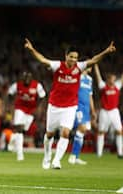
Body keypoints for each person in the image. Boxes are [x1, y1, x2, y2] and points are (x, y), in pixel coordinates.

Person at [24, 38, 116, 169]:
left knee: (66, 133)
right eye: (71, 57)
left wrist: (106, 51)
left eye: (76, 57)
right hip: (54, 106)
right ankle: (47, 156)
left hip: (70, 106)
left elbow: (94, 60)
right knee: (49, 134)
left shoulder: (79, 67)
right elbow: (43, 60)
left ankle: (57, 160)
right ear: (66, 56)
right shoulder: (57, 66)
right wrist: (32, 50)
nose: (74, 60)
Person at [8, 71, 46, 161]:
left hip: (31, 110)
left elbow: (43, 96)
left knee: (23, 129)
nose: (26, 80)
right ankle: (20, 154)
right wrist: (11, 105)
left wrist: (38, 108)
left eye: (28, 78)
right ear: (22, 78)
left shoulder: (37, 85)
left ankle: (12, 139)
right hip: (19, 108)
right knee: (20, 129)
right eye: (25, 78)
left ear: (31, 78)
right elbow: (10, 93)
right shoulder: (16, 85)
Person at [68, 67, 96, 165]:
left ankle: (76, 156)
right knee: (81, 128)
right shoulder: (77, 76)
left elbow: (90, 95)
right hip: (77, 106)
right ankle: (72, 155)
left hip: (86, 108)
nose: (91, 67)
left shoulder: (89, 79)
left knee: (82, 132)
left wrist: (93, 110)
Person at [94, 64, 123, 158]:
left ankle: (120, 152)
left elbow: (122, 78)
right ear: (108, 79)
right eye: (112, 79)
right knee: (101, 131)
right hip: (104, 111)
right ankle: (99, 153)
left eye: (114, 79)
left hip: (114, 111)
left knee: (119, 131)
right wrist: (96, 66)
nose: (113, 81)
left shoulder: (117, 86)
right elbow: (98, 77)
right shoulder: (103, 86)